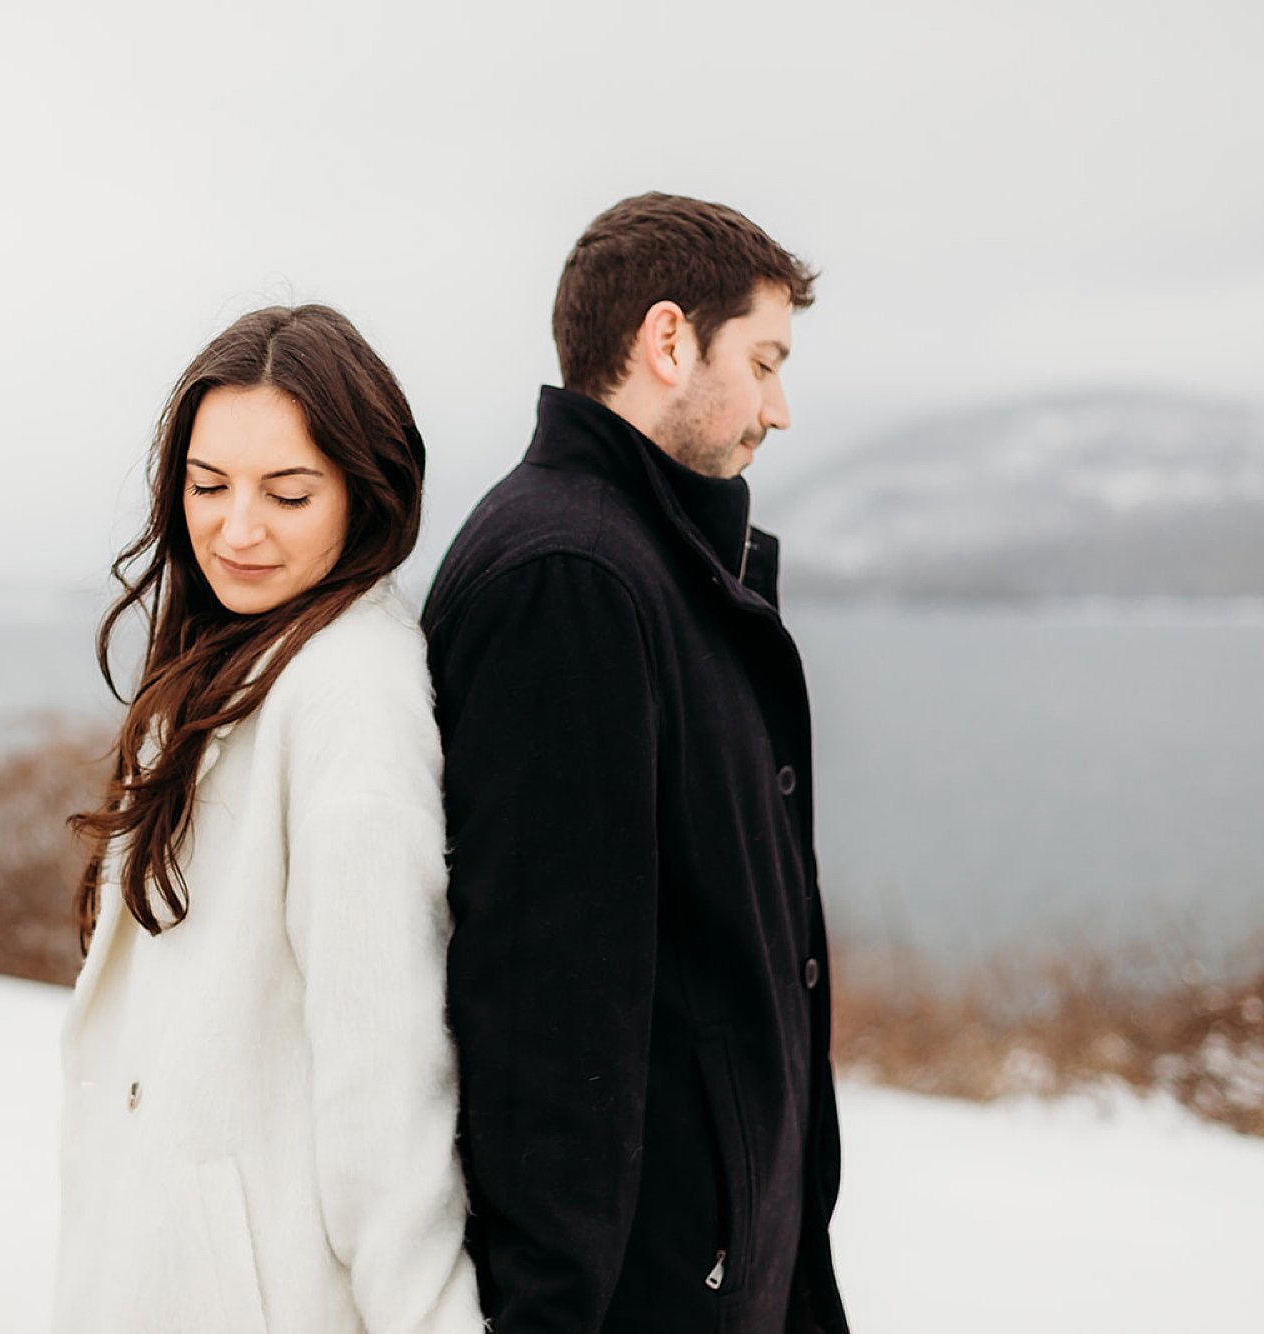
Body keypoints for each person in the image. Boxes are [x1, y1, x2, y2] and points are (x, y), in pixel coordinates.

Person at [422, 193, 850, 1333]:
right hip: (646, 1294)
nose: (779, 407)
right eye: (761, 361)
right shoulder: (569, 579)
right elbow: (542, 1012)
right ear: (668, 341)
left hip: (714, 1271)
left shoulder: (653, 567)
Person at [53, 305, 483, 1334]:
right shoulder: (234, 655)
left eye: (287, 492)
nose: (236, 529)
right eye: (208, 486)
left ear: (363, 493)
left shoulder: (349, 694)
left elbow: (384, 1069)